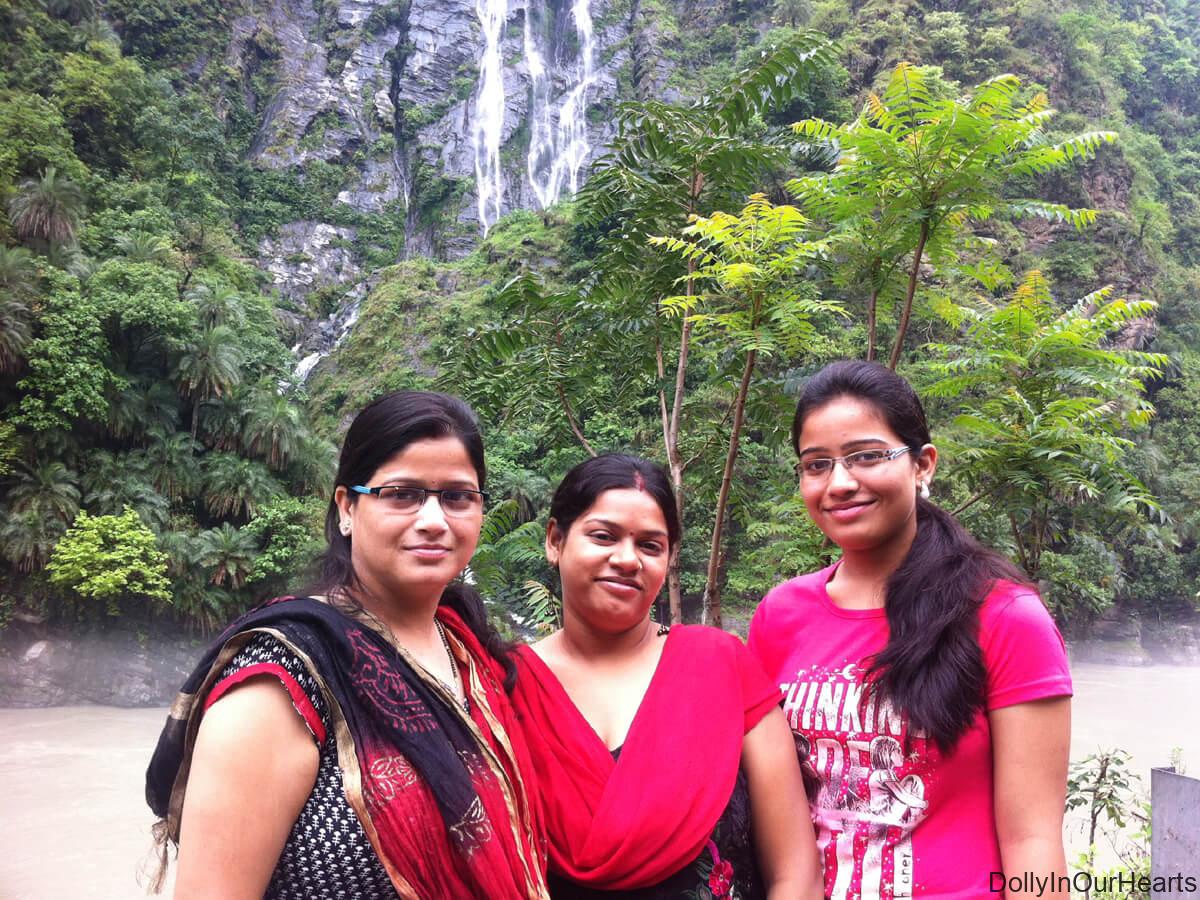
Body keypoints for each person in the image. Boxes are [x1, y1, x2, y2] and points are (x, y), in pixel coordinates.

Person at [146, 391, 549, 899]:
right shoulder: (282, 678)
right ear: (346, 507)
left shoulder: (470, 652)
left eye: (457, 496)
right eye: (401, 494)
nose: (434, 520)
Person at [747, 361, 1072, 899]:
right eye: (816, 464)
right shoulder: (780, 615)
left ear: (922, 465)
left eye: (867, 456)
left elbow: (1032, 839)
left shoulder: (1004, 617)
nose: (839, 483)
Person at [511, 453, 822, 899]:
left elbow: (796, 874)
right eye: (603, 536)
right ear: (555, 540)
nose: (627, 559)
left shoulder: (719, 666)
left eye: (650, 546)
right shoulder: (502, 686)